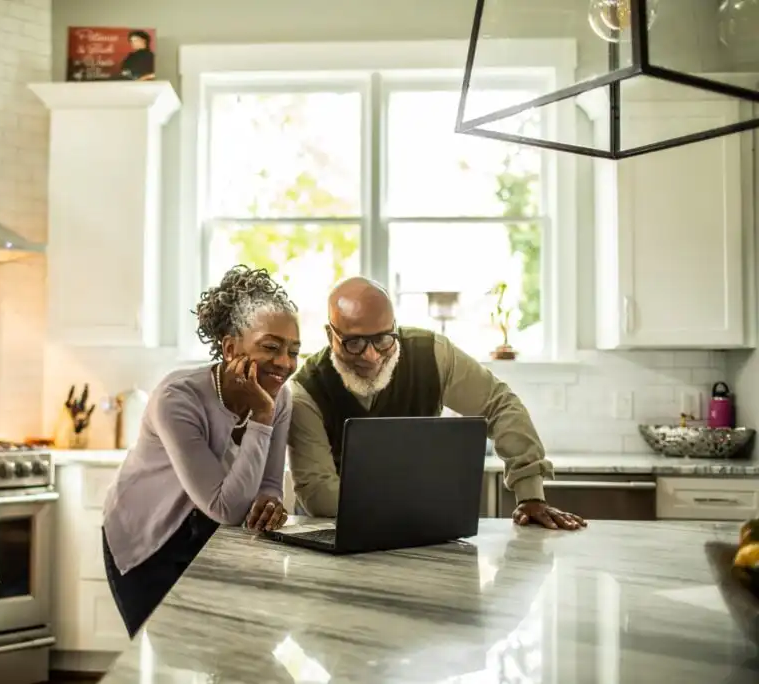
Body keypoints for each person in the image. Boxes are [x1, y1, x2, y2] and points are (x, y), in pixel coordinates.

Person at [287, 276, 587, 531]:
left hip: (419, 531)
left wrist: (530, 494)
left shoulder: (433, 355)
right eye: (354, 343)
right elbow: (319, 495)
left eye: (383, 339)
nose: (371, 356)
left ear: (395, 327)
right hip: (331, 534)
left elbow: (499, 405)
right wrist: (423, 501)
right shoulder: (305, 390)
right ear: (330, 335)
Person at [101, 265, 300, 637]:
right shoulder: (177, 399)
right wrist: (260, 415)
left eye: (293, 351)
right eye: (271, 347)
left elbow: (268, 485)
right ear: (230, 348)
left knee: (219, 654)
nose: (285, 363)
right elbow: (227, 508)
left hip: (209, 539)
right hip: (148, 540)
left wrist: (271, 501)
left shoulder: (280, 398)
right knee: (161, 665)